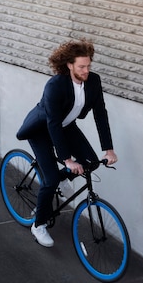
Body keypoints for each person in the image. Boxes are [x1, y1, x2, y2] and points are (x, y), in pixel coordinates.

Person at [16, 39, 118, 247]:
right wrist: (67, 160)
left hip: (66, 125)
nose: (86, 70)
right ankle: (39, 224)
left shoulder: (93, 81)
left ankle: (60, 182)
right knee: (51, 179)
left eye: (88, 66)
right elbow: (52, 123)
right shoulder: (55, 85)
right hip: (42, 130)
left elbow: (101, 115)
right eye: (81, 66)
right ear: (69, 65)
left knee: (90, 162)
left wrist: (108, 149)